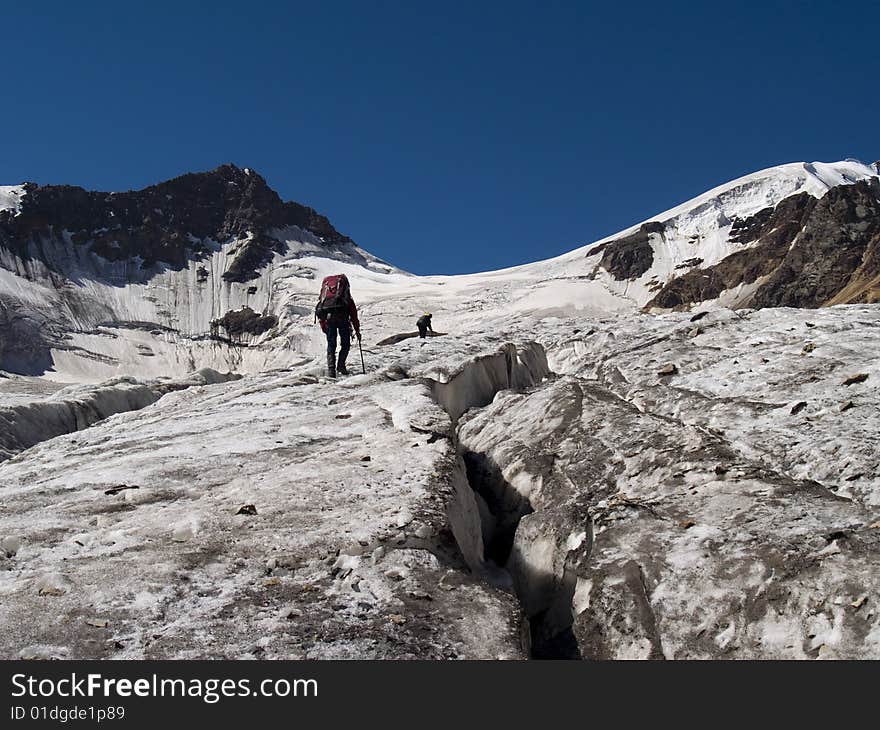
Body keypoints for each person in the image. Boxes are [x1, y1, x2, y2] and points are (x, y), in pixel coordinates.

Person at [315, 274, 361, 377]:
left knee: (331, 345)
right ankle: (341, 366)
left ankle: (331, 370)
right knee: (345, 344)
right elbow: (353, 315)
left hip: (329, 320)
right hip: (343, 319)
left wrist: (323, 326)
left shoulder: (326, 298)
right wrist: (357, 330)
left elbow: (321, 311)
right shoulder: (346, 298)